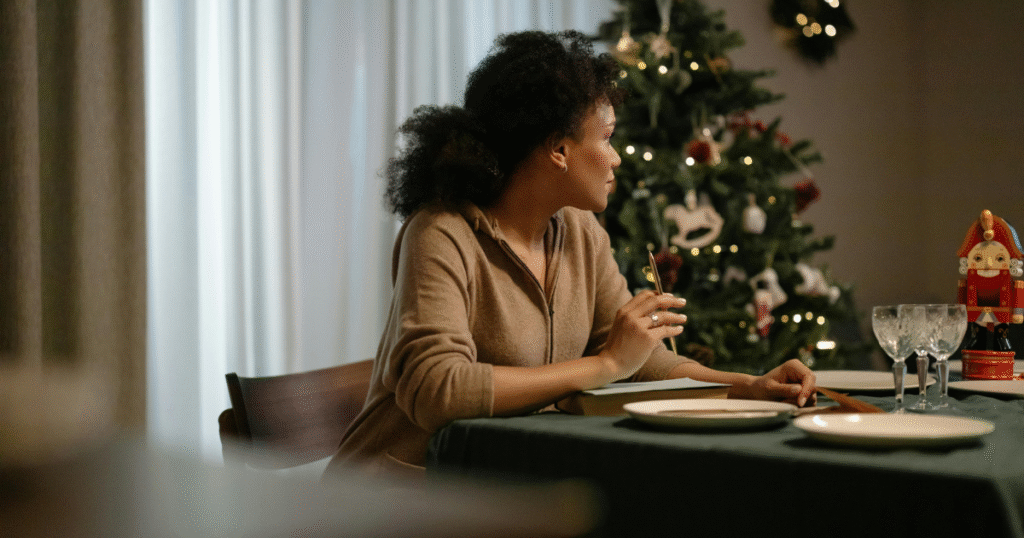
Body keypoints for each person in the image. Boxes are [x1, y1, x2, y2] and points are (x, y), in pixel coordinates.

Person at [324, 30, 816, 481]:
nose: (617, 155)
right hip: (390, 505)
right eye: (606, 136)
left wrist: (748, 386)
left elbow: (643, 363)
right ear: (559, 150)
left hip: (499, 490)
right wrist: (602, 367)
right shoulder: (441, 233)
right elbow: (439, 391)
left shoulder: (581, 231)